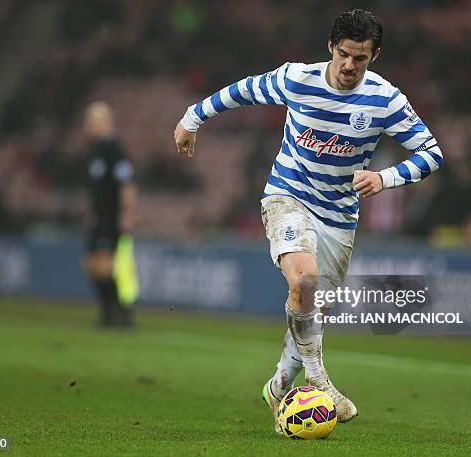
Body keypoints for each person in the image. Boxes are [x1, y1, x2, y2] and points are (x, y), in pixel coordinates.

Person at [174, 9, 443, 432]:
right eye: (345, 55)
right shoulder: (297, 79)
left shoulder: (386, 99)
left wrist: (384, 177)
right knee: (304, 282)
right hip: (288, 196)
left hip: (338, 215)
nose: (351, 66)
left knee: (312, 309)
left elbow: (432, 154)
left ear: (375, 55)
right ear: (331, 48)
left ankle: (280, 384)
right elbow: (244, 91)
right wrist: (193, 117)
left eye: (361, 58)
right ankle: (318, 378)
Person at [83, 101, 137, 328]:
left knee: (106, 266)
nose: (87, 126)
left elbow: (127, 184)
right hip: (98, 217)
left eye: (91, 121)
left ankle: (120, 314)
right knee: (91, 266)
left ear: (104, 122)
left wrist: (126, 214)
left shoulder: (114, 149)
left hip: (111, 217)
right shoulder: (95, 151)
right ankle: (107, 312)